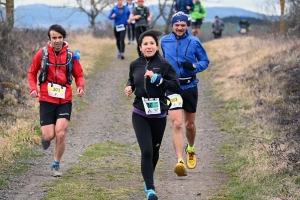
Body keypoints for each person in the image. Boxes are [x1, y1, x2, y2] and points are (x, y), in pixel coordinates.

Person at [124, 29, 180, 199]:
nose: (149, 47)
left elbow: (176, 86)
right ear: (140, 47)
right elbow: (132, 80)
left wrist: (157, 79)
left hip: (159, 115)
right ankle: (150, 188)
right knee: (146, 151)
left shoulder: (164, 64)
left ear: (156, 46)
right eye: (145, 44)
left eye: (152, 44)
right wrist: (130, 87)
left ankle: (148, 178)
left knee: (155, 152)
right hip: (140, 113)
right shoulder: (135, 64)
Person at [27, 24, 85, 177]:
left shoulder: (70, 55)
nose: (57, 40)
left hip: (65, 99)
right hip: (46, 99)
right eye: (54, 38)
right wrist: (33, 88)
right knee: (49, 135)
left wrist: (80, 86)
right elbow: (32, 73)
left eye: (60, 37)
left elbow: (79, 74)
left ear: (63, 38)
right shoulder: (42, 54)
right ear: (49, 39)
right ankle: (46, 139)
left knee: (60, 133)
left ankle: (56, 164)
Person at [160, 12, 210, 177]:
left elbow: (205, 61)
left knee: (189, 125)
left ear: (187, 26)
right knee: (177, 124)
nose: (180, 28)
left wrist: (194, 66)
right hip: (172, 86)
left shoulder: (195, 41)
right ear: (172, 25)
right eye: (177, 25)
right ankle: (180, 161)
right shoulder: (164, 41)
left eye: (183, 25)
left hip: (189, 86)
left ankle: (190, 148)